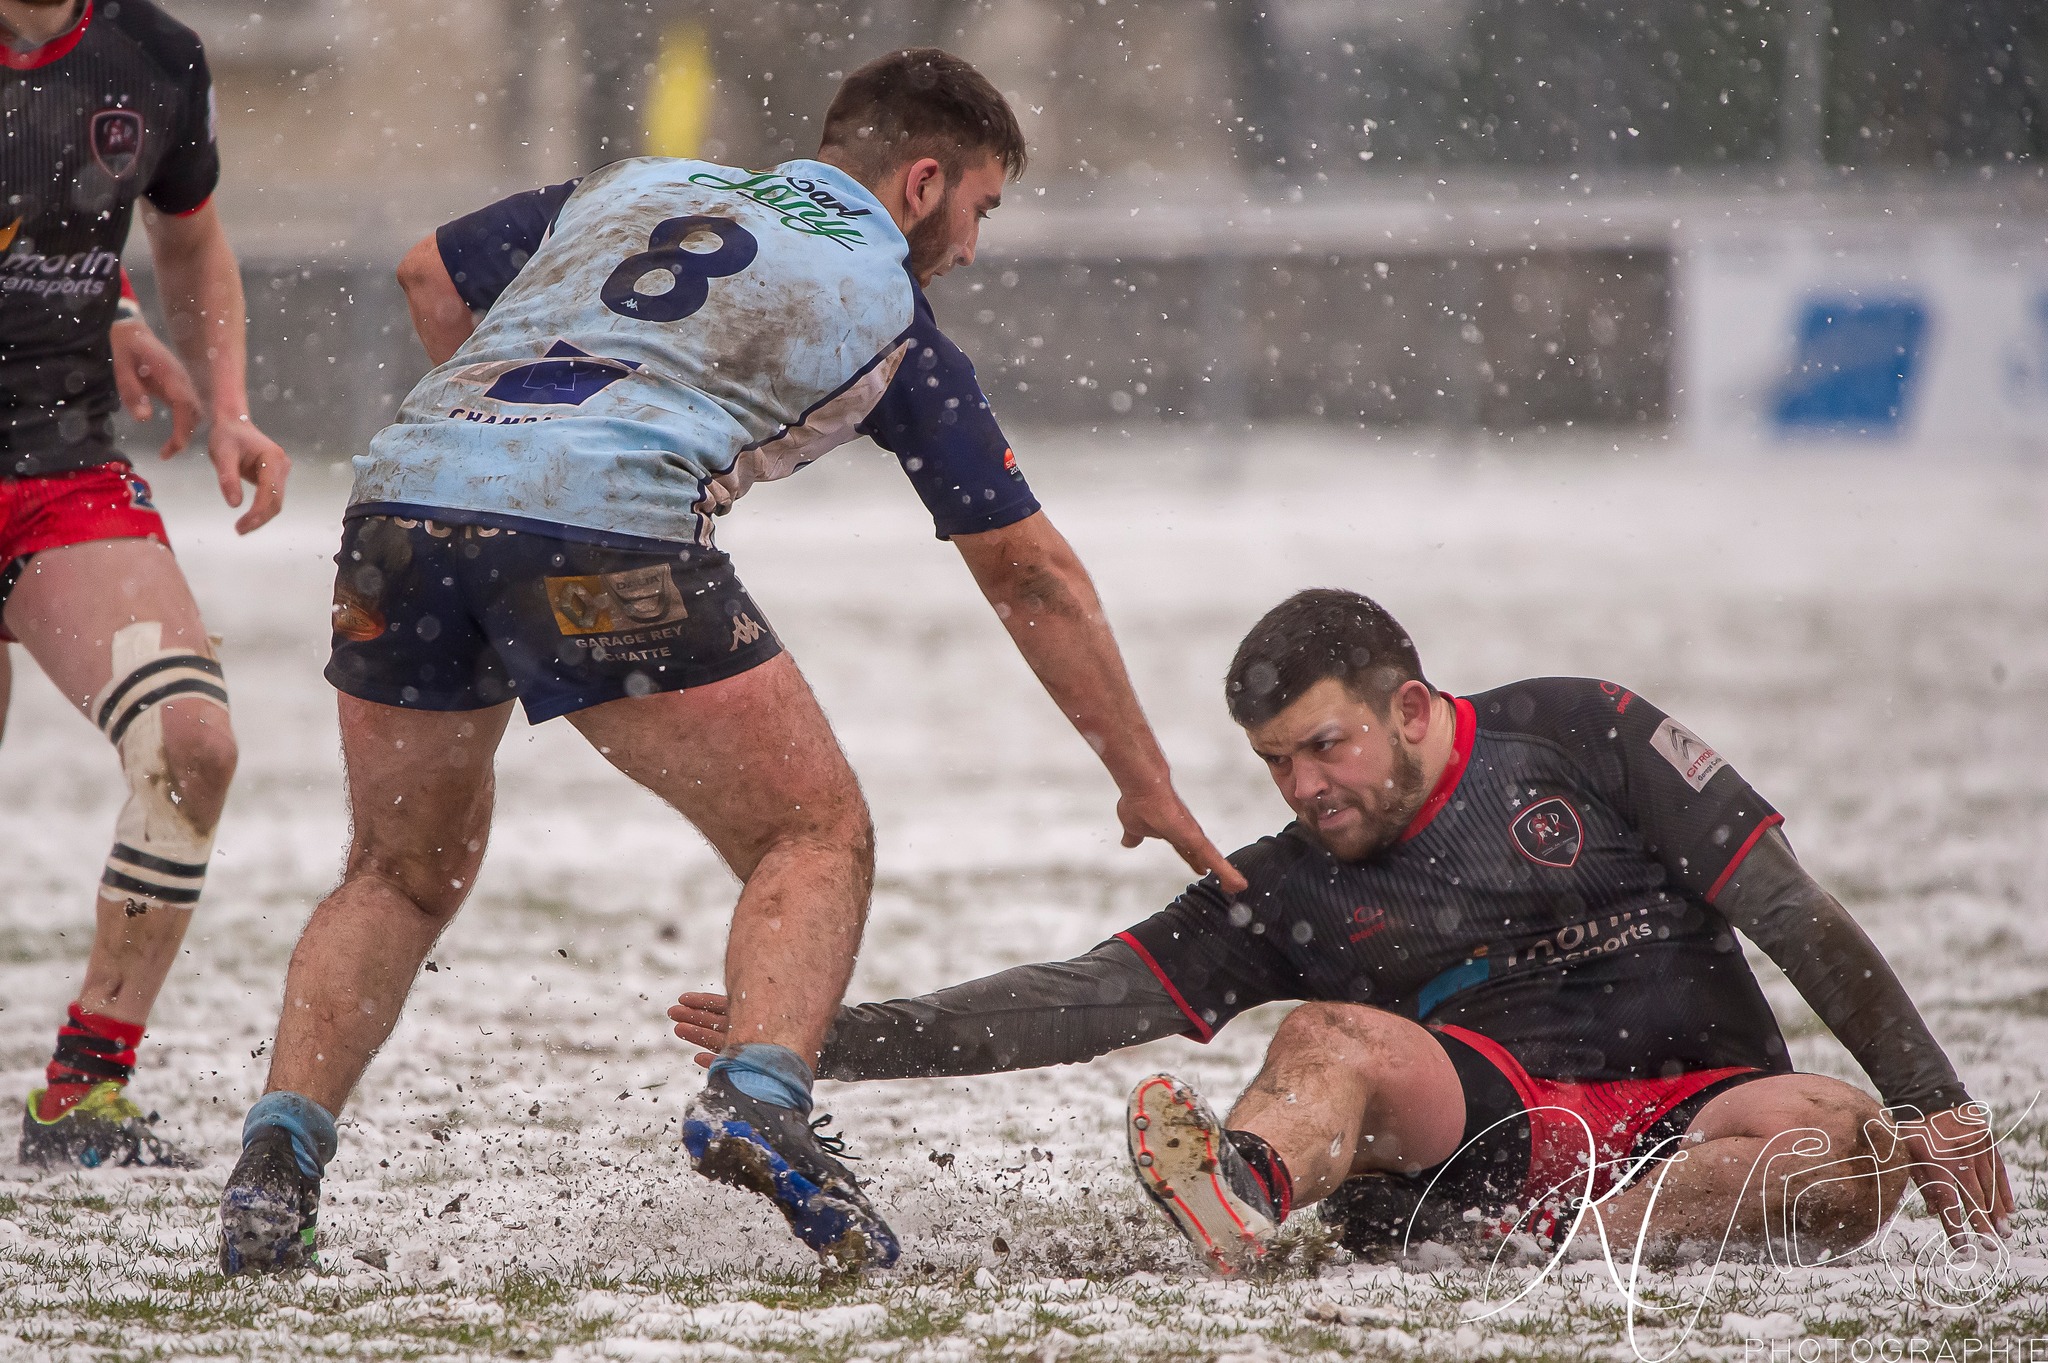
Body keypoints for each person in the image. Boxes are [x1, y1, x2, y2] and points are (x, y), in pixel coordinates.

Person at [217, 48, 1241, 1276]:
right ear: (921, 182)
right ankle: (757, 1094)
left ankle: (277, 1159)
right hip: (601, 534)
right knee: (812, 835)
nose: (970, 247)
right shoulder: (885, 303)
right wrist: (1141, 778)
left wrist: (510, 437)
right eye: (978, 208)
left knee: (394, 870)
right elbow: (1028, 573)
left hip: (401, 506)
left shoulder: (636, 185)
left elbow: (426, 269)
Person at [672, 589, 2012, 1274]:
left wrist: (1937, 1098)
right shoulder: (1291, 880)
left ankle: (1581, 1239)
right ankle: (1246, 1183)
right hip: (1488, 1125)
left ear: (1416, 706)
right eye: (1273, 762)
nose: (1305, 787)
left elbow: (1790, 911)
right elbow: (1084, 998)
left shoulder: (1587, 734)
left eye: (1326, 745)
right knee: (1326, 1034)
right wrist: (814, 1041)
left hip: (1703, 1102)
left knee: (1843, 1141)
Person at [2, 0, 290, 1169]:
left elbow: (188, 236)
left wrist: (227, 410)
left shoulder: (155, 54)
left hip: (58, 457)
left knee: (192, 743)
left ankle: (85, 1091)